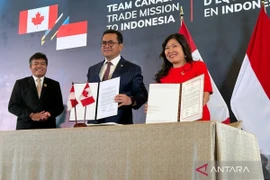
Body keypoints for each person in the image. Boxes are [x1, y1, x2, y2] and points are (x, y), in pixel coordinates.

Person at [87, 29, 148, 124]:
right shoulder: (92, 69)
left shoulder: (132, 69)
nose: (106, 46)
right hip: (94, 124)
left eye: (111, 43)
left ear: (120, 46)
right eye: (103, 43)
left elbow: (142, 95)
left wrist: (130, 100)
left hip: (119, 123)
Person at [152, 33, 212, 120]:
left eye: (174, 46)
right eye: (167, 48)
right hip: (171, 124)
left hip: (198, 121)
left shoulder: (198, 66)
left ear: (184, 49)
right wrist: (152, 108)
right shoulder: (162, 77)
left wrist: (190, 112)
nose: (170, 50)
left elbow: (206, 94)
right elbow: (158, 103)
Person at [8, 52, 64, 130]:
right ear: (30, 67)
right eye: (36, 63)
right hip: (25, 128)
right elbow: (12, 106)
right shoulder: (20, 83)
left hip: (48, 128)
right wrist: (31, 115)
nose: (39, 66)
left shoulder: (54, 84)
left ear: (46, 66)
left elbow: (59, 107)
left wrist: (49, 113)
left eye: (42, 63)